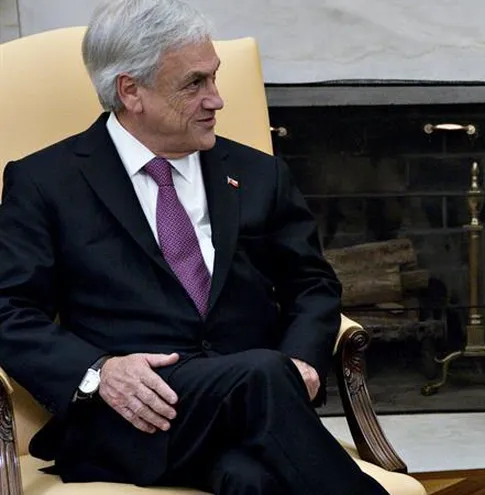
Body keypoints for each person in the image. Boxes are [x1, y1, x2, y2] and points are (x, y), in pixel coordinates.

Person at [0, 0, 389, 494]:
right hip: (132, 420)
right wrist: (98, 373)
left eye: (215, 78)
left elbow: (311, 284)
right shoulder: (46, 181)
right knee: (261, 373)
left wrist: (302, 361)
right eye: (194, 84)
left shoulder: (258, 174)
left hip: (250, 407)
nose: (217, 100)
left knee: (249, 479)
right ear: (131, 91)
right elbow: (8, 309)